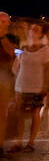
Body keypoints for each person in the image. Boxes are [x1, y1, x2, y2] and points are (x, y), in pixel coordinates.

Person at [9, 20, 49, 151]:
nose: (33, 32)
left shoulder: (45, 50)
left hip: (36, 87)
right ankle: (18, 142)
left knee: (35, 113)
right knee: (20, 114)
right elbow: (16, 67)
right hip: (21, 86)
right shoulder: (23, 48)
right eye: (32, 29)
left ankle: (31, 142)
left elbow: (47, 70)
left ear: (41, 34)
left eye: (36, 30)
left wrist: (45, 86)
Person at [0, 12, 16, 153]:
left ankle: (0, 145)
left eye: (6, 22)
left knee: (1, 113)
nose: (4, 24)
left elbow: (11, 56)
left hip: (4, 79)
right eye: (2, 21)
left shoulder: (9, 39)